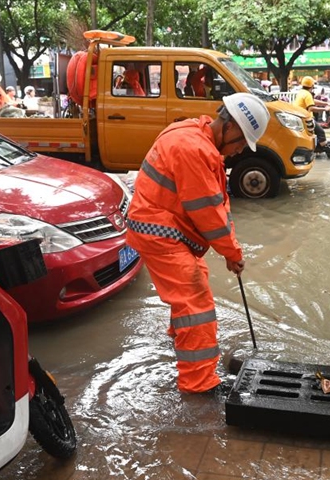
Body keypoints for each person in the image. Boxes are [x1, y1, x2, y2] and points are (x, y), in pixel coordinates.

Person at [125, 92, 270, 395]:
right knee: (197, 304)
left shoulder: (196, 135)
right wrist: (232, 254)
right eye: (241, 143)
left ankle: (178, 335)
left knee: (195, 279)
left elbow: (218, 205)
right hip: (160, 231)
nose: (239, 151)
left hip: (166, 226)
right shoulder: (193, 149)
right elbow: (208, 214)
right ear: (229, 128)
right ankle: (199, 385)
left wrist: (232, 249)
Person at [293, 76, 330, 158]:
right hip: (306, 118)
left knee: (317, 133)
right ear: (312, 85)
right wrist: (325, 109)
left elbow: (312, 101)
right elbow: (311, 108)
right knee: (321, 132)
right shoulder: (307, 94)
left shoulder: (302, 92)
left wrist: (326, 103)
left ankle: (318, 149)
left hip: (301, 117)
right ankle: (329, 153)